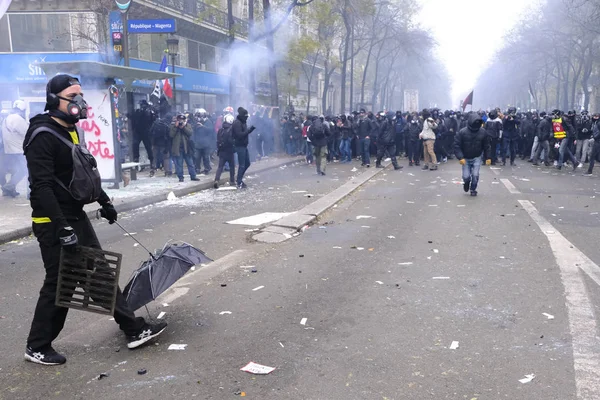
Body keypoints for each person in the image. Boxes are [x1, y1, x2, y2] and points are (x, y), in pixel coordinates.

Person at [22, 74, 166, 366]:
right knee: (60, 282)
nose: (79, 102)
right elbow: (43, 187)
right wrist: (61, 227)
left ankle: (133, 329)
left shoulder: (70, 130)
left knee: (98, 274)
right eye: (72, 96)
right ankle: (37, 346)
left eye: (80, 95)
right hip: (53, 222)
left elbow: (83, 171)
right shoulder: (42, 136)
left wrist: (104, 201)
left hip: (74, 216)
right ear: (54, 100)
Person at [454, 113, 492, 197]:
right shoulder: (462, 132)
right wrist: (460, 157)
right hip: (465, 157)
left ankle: (473, 189)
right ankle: (466, 183)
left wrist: (488, 157)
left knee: (475, 175)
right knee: (466, 176)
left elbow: (487, 146)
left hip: (477, 156)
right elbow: (457, 145)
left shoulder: (483, 132)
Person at [1, 99, 29, 197]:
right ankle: (9, 186)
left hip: (9, 150)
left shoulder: (7, 118)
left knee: (15, 169)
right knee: (25, 170)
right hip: (19, 150)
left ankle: (9, 189)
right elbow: (27, 133)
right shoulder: (17, 119)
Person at [170, 113, 199, 182]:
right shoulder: (173, 126)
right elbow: (171, 135)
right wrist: (176, 127)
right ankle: (180, 177)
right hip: (178, 148)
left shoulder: (188, 125)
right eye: (179, 120)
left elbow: (190, 133)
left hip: (187, 148)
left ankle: (193, 176)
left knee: (190, 163)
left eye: (182, 120)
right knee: (179, 164)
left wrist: (183, 127)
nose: (181, 121)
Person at [232, 107, 255, 189]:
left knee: (247, 163)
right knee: (242, 165)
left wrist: (249, 130)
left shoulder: (243, 122)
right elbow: (239, 135)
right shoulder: (237, 123)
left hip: (244, 145)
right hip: (239, 146)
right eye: (245, 116)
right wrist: (249, 131)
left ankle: (239, 179)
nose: (247, 117)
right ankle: (239, 182)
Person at [131, 100, 155, 175]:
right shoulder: (138, 112)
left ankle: (152, 162)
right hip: (138, 131)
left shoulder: (149, 112)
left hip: (146, 132)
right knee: (135, 144)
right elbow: (132, 118)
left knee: (148, 148)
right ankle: (136, 158)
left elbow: (152, 120)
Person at [213, 114, 236, 188]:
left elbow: (218, 140)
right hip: (230, 151)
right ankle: (232, 181)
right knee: (232, 167)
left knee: (220, 167)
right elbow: (233, 141)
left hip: (222, 151)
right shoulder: (232, 130)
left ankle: (216, 180)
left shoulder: (220, 130)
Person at [192, 109, 214, 175]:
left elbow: (211, 130)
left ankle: (207, 169)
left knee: (206, 157)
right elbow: (193, 131)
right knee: (197, 157)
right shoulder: (196, 122)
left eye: (200, 115)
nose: (198, 117)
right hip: (198, 143)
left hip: (206, 144)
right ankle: (197, 169)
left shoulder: (208, 122)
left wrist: (203, 126)